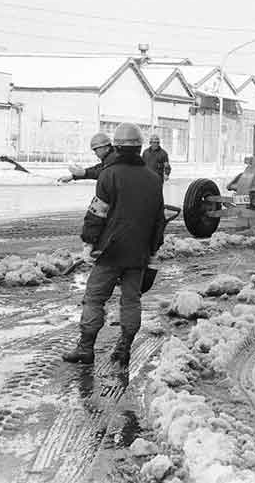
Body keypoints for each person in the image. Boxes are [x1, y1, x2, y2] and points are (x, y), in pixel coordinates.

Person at [62, 122, 166, 368]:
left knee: (94, 298)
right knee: (131, 301)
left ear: (116, 147)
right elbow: (158, 220)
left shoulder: (110, 174)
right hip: (138, 254)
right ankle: (125, 348)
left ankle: (86, 349)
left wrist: (88, 242)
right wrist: (152, 250)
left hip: (111, 252)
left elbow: (97, 213)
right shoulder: (153, 179)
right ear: (140, 147)